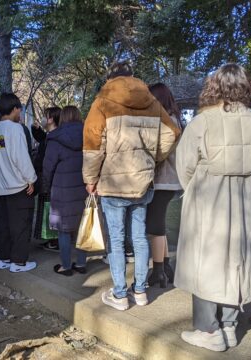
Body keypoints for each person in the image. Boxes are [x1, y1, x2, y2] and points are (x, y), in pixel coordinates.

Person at [175, 64, 251, 352]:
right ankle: (229, 324)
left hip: (209, 196)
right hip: (248, 197)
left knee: (206, 259)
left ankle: (208, 329)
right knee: (237, 259)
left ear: (215, 87)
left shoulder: (202, 123)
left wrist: (194, 189)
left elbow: (185, 166)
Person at [83, 62, 179, 311]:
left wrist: (90, 179)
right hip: (142, 182)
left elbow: (93, 143)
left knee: (116, 239)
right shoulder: (151, 101)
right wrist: (152, 158)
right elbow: (172, 133)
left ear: (110, 78)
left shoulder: (102, 101)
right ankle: (140, 291)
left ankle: (120, 294)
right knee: (139, 236)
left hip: (112, 182)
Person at [0, 93, 38, 273]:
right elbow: (21, 158)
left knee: (5, 225)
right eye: (19, 109)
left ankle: (3, 257)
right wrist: (31, 179)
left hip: (2, 185)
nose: (20, 112)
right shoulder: (15, 129)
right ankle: (18, 262)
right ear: (14, 108)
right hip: (18, 185)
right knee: (21, 225)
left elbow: (1, 155)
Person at [146, 83, 184, 288]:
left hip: (163, 180)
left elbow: (160, 149)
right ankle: (166, 265)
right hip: (171, 180)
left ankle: (158, 271)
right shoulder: (175, 118)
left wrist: (153, 159)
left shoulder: (166, 120)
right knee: (159, 224)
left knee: (155, 227)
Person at [42, 106, 88, 276]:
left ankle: (66, 266)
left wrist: (45, 187)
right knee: (82, 227)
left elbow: (48, 167)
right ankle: (81, 264)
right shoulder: (88, 135)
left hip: (62, 189)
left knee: (64, 229)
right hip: (84, 187)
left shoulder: (56, 138)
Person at [32, 107, 61, 252]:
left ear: (52, 119)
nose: (44, 119)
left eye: (46, 116)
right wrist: (36, 129)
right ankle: (51, 239)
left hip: (50, 178)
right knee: (47, 208)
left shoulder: (55, 137)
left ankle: (54, 240)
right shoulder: (51, 135)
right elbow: (41, 138)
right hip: (48, 178)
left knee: (50, 209)